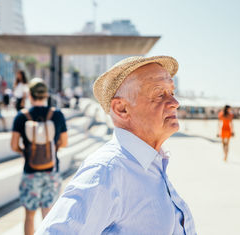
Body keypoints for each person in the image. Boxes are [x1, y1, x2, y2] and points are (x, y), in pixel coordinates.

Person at [35, 56, 196, 235]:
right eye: (159, 94)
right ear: (121, 109)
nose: (175, 103)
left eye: (172, 93)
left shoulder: (151, 164)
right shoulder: (106, 171)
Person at [11, 78, 68, 235]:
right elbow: (64, 142)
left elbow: (14, 145)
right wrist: (52, 148)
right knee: (48, 214)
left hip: (30, 171)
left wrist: (26, 152)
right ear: (46, 95)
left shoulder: (22, 116)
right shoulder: (57, 115)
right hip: (52, 170)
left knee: (29, 215)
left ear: (30, 95)